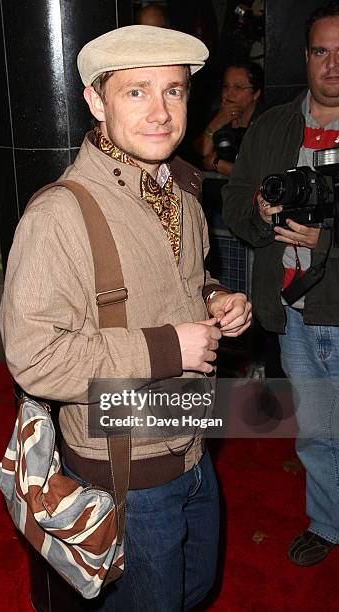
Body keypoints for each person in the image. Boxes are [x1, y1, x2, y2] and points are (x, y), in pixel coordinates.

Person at [0, 25, 252, 610]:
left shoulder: (178, 190)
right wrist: (171, 348)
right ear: (95, 100)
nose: (160, 112)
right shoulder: (60, 216)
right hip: (124, 467)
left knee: (194, 587)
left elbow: (187, 282)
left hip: (190, 436)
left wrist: (215, 298)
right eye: (136, 92)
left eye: (174, 91)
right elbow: (36, 360)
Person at [223, 0, 339, 567]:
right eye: (322, 51)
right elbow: (236, 202)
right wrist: (262, 214)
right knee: (316, 431)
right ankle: (327, 522)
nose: (333, 65)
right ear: (306, 57)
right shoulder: (273, 126)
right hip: (294, 312)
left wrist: (327, 243)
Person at [194, 60, 263, 178]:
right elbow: (202, 152)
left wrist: (218, 164)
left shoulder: (265, 123)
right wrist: (217, 122)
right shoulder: (218, 115)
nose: (228, 94)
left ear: (255, 93)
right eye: (225, 86)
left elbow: (257, 173)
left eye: (237, 88)